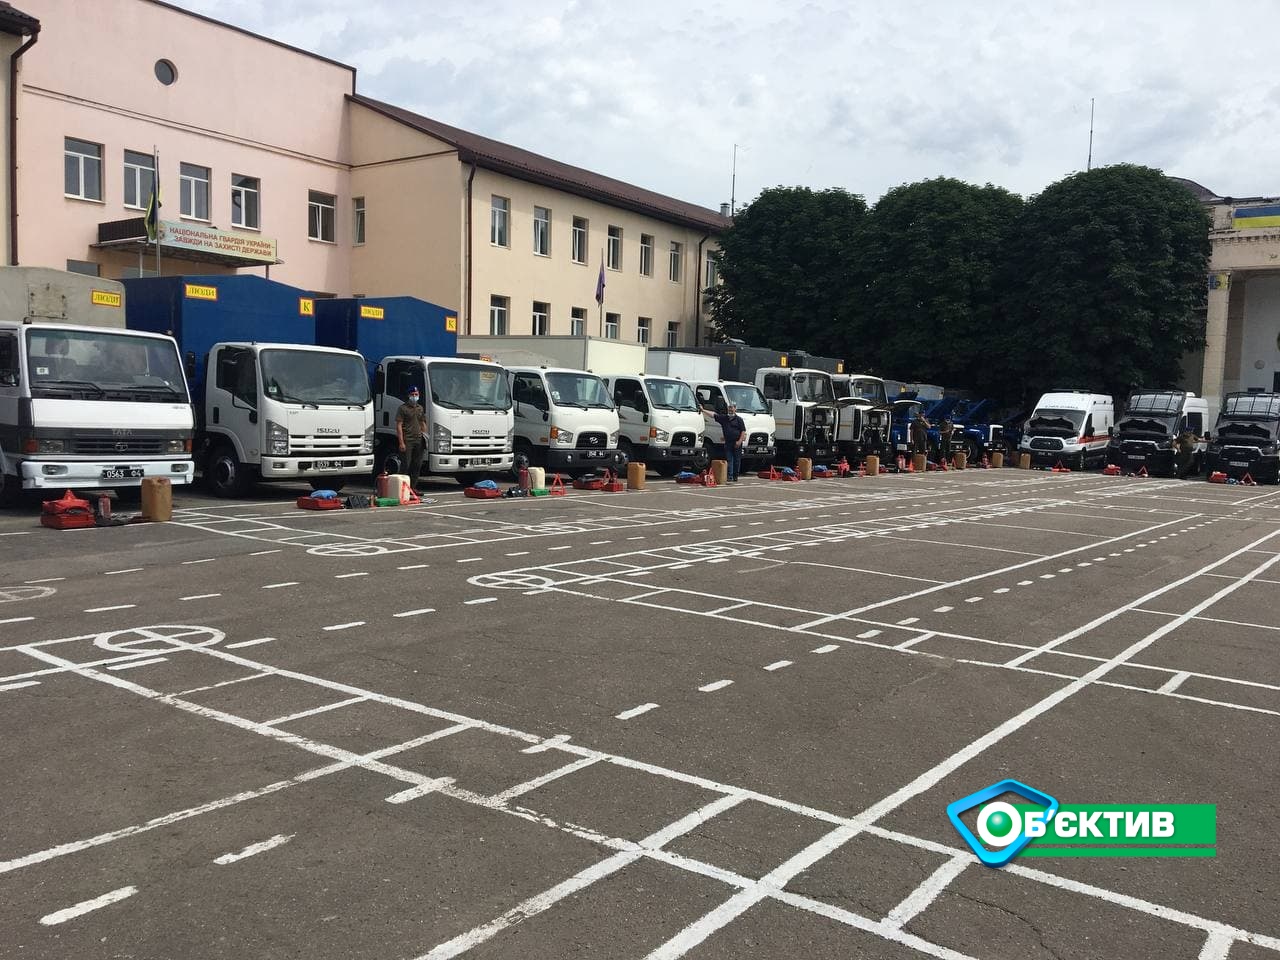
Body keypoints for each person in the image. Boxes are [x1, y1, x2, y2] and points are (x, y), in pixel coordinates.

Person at [396, 386, 428, 488]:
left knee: (417, 465)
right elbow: (399, 425)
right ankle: (401, 488)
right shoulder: (403, 408)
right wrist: (401, 442)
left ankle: (412, 488)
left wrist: (425, 436)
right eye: (412, 395)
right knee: (406, 465)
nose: (414, 396)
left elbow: (422, 422)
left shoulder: (420, 408)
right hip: (407, 440)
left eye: (416, 394)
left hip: (418, 439)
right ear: (408, 395)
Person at [714, 402, 747, 482]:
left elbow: (743, 431)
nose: (730, 409)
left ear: (735, 409)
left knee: (737, 460)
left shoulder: (739, 419)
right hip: (728, 442)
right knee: (729, 459)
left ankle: (735, 476)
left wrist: (739, 441)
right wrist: (703, 410)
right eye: (729, 407)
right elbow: (713, 415)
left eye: (732, 407)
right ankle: (730, 476)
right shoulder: (724, 418)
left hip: (737, 442)